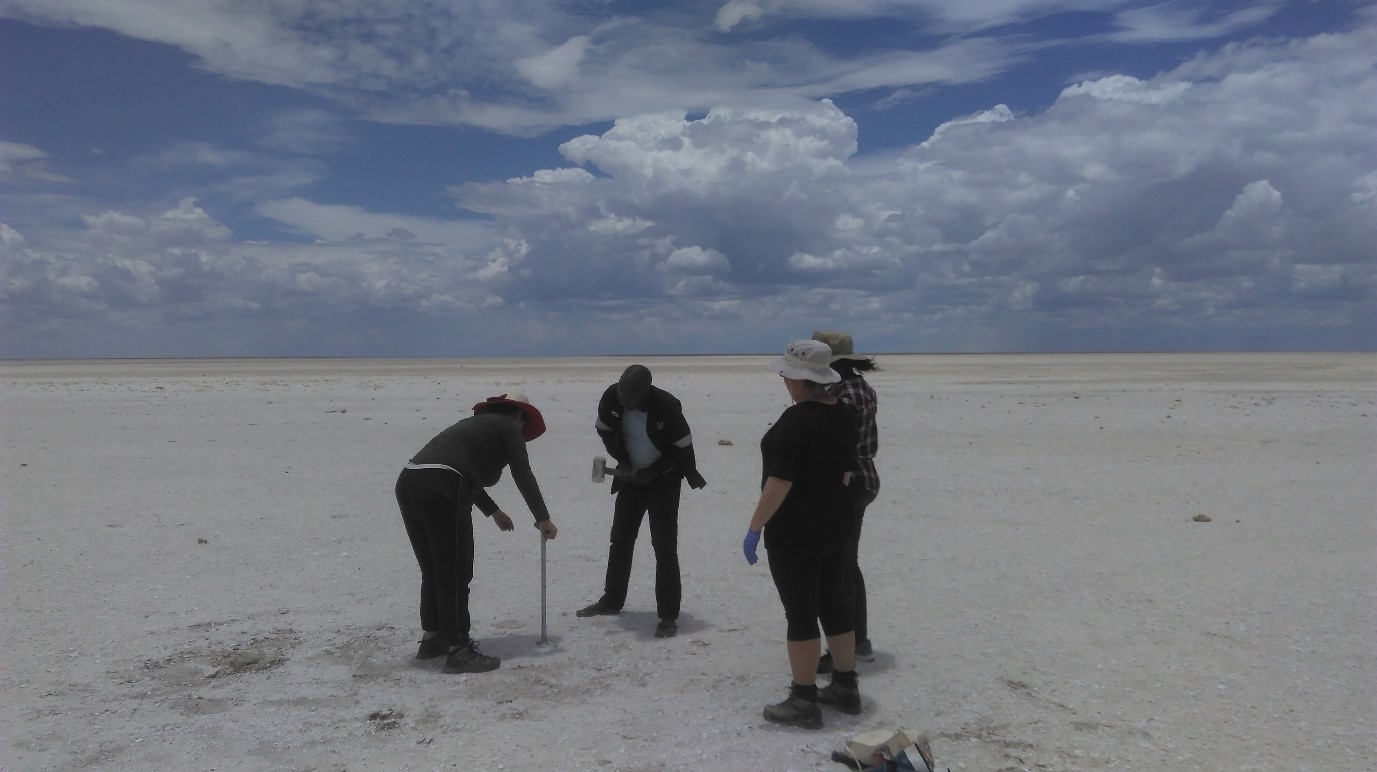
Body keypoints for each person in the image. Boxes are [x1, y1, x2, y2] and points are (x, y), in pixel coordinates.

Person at [742, 339, 861, 729]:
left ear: (798, 379)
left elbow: (779, 482)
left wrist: (755, 527)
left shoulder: (795, 421)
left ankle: (804, 699)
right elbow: (846, 473)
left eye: (786, 376)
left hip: (796, 532)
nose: (784, 382)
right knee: (834, 604)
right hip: (838, 523)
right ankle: (845, 686)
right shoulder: (845, 412)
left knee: (801, 613)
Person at [395, 392, 559, 674]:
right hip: (442, 486)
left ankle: (433, 638)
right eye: (524, 425)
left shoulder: (477, 426)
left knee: (434, 569)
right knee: (455, 571)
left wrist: (493, 511)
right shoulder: (509, 428)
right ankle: (459, 648)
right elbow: (522, 474)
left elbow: (460, 470)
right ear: (520, 416)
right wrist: (542, 517)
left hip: (410, 481)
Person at [577, 365, 706, 638]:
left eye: (630, 399)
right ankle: (612, 601)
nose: (624, 402)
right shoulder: (611, 398)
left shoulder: (667, 407)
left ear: (646, 393)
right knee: (620, 540)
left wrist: (653, 471)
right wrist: (623, 461)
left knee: (664, 546)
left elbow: (682, 450)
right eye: (621, 396)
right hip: (630, 480)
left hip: (665, 481)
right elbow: (604, 430)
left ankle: (668, 616)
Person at [811, 330, 881, 672]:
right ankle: (857, 641)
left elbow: (835, 447)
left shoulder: (845, 395)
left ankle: (851, 644)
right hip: (861, 481)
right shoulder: (857, 388)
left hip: (849, 483)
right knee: (846, 563)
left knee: (841, 566)